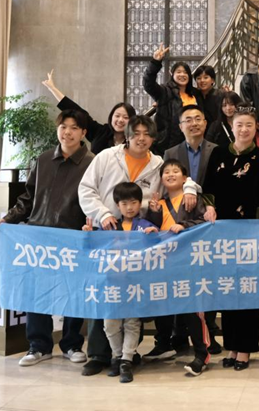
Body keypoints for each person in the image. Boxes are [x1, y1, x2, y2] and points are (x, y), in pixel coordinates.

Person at [77, 115, 198, 376]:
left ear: (153, 138)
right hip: (107, 233)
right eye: (136, 133)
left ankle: (128, 356)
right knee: (104, 293)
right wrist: (102, 214)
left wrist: (190, 189)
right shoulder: (107, 156)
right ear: (127, 135)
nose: (141, 138)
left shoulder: (157, 164)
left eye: (147, 134)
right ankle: (98, 355)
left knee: (133, 295)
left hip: (138, 237)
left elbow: (178, 177)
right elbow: (86, 189)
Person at [0, 109, 94, 367]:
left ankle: (72, 343)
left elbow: (96, 199)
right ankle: (38, 346)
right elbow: (28, 197)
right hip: (39, 237)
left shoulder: (92, 163)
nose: (67, 132)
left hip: (73, 238)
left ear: (83, 133)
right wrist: (9, 218)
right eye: (63, 126)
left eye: (74, 128)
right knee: (37, 292)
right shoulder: (43, 160)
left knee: (73, 291)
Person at [202, 104, 259, 371]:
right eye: (239, 125)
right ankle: (231, 346)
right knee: (228, 290)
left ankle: (245, 349)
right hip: (221, 233)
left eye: (249, 125)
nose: (244, 129)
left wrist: (258, 230)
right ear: (232, 127)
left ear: (256, 129)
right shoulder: (219, 153)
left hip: (248, 234)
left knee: (247, 289)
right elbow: (208, 187)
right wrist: (209, 207)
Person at [158, 105, 221, 356]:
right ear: (180, 126)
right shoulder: (170, 153)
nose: (193, 123)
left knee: (205, 280)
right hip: (177, 222)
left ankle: (209, 333)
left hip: (204, 221)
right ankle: (179, 334)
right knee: (178, 280)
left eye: (198, 119)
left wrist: (208, 202)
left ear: (205, 123)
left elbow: (219, 184)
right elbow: (167, 184)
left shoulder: (216, 150)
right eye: (188, 120)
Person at [147, 160, 214, 377]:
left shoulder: (192, 199)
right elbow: (152, 230)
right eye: (166, 172)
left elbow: (205, 224)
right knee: (163, 305)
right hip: (165, 264)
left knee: (193, 310)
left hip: (189, 263)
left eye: (176, 171)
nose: (171, 174)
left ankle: (201, 353)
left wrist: (184, 226)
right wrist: (153, 216)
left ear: (185, 178)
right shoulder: (159, 203)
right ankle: (164, 344)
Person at [95, 182, 160, 383]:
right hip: (112, 283)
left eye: (133, 202)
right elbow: (93, 247)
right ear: (117, 205)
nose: (129, 207)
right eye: (124, 203)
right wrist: (88, 233)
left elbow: (158, 245)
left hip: (135, 284)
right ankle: (116, 356)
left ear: (140, 203)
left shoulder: (145, 225)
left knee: (132, 323)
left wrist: (154, 235)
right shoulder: (109, 225)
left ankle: (126, 360)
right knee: (110, 324)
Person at [42, 69, 137, 154]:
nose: (120, 120)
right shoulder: (99, 132)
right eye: (117, 116)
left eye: (126, 117)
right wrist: (53, 89)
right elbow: (77, 110)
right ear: (111, 117)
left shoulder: (135, 140)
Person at [143, 43, 205, 153]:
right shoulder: (164, 92)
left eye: (185, 72)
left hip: (193, 142)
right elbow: (148, 83)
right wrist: (155, 62)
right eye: (179, 72)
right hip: (168, 143)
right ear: (172, 74)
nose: (182, 75)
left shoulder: (196, 94)